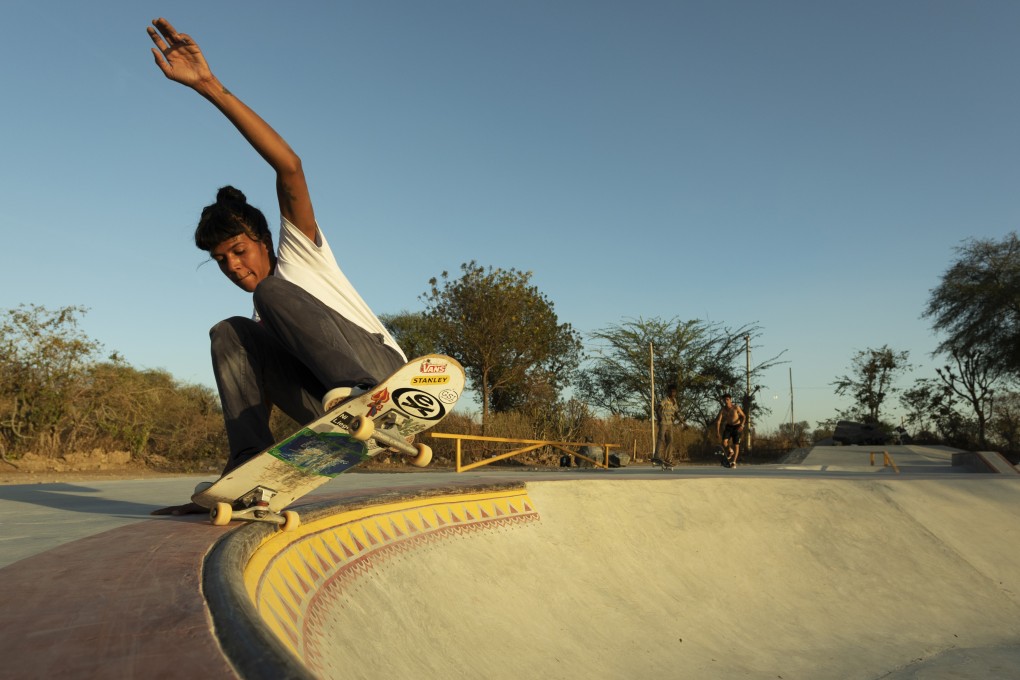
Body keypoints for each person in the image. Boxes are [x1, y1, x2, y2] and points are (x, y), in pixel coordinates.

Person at [146, 18, 406, 515]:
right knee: (230, 330)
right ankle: (246, 463)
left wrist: (209, 87)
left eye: (239, 251)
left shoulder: (300, 254)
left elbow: (289, 166)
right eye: (221, 261)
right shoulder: (269, 321)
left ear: (264, 240)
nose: (233, 266)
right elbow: (256, 388)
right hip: (326, 407)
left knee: (268, 294)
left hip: (384, 378)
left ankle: (359, 393)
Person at [715, 394, 746, 467]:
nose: (726, 401)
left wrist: (742, 425)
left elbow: (744, 416)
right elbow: (718, 421)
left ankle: (734, 462)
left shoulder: (736, 407)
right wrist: (717, 432)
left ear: (730, 400)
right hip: (729, 427)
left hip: (737, 427)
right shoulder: (723, 410)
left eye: (727, 399)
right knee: (724, 442)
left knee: (736, 445)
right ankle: (730, 451)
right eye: (725, 400)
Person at [655, 387, 681, 464]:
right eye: (671, 392)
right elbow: (658, 408)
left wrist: (682, 422)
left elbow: (676, 412)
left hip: (670, 423)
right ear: (669, 392)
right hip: (663, 422)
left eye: (674, 392)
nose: (673, 393)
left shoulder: (674, 401)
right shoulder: (665, 399)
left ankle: (668, 458)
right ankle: (656, 456)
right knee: (661, 438)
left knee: (670, 440)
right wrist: (659, 417)